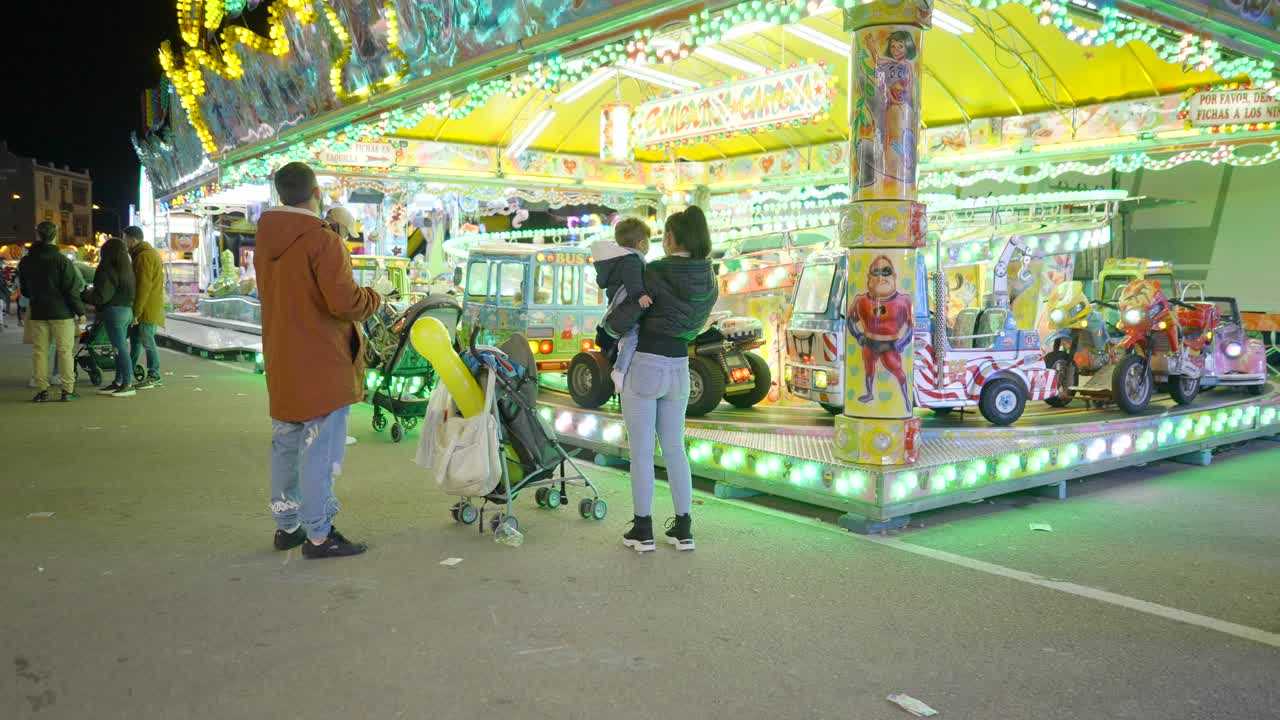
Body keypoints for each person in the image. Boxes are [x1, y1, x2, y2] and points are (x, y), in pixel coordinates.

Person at [256, 162, 381, 559]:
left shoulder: (265, 236)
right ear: (316, 194)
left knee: (286, 447)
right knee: (320, 452)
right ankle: (319, 534)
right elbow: (345, 302)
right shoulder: (322, 240)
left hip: (283, 359)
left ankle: (287, 526)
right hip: (322, 364)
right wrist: (377, 295)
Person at [613, 206, 717, 553]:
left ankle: (643, 529)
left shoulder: (655, 271)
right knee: (675, 449)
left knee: (641, 452)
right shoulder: (710, 277)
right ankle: (683, 528)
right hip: (678, 366)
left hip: (645, 364)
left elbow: (629, 312)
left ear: (671, 238)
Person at [18, 222, 86, 402]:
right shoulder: (61, 260)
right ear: (54, 236)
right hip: (62, 313)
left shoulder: (26, 261)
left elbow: (24, 290)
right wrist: (80, 311)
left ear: (38, 235)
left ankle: (42, 390)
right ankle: (67, 390)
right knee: (65, 351)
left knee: (40, 351)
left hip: (38, 312)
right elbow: (71, 289)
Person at [592, 217, 653, 390]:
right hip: (627, 307)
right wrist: (641, 295)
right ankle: (619, 371)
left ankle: (619, 370)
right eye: (647, 242)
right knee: (632, 338)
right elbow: (632, 280)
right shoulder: (631, 260)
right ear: (641, 243)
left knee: (625, 338)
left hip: (617, 306)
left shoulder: (616, 260)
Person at [90, 237, 137, 397]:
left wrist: (87, 296)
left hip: (114, 312)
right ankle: (118, 381)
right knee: (119, 347)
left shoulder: (107, 268)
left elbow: (103, 295)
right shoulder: (126, 269)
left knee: (119, 348)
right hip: (126, 311)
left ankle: (127, 383)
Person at [124, 227, 166, 388]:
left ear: (133, 240)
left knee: (147, 341)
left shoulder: (144, 256)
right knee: (135, 342)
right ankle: (127, 373)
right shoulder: (144, 254)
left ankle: (154, 375)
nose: (124, 243)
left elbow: (143, 286)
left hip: (146, 309)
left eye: (125, 239)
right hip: (145, 307)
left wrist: (137, 312)